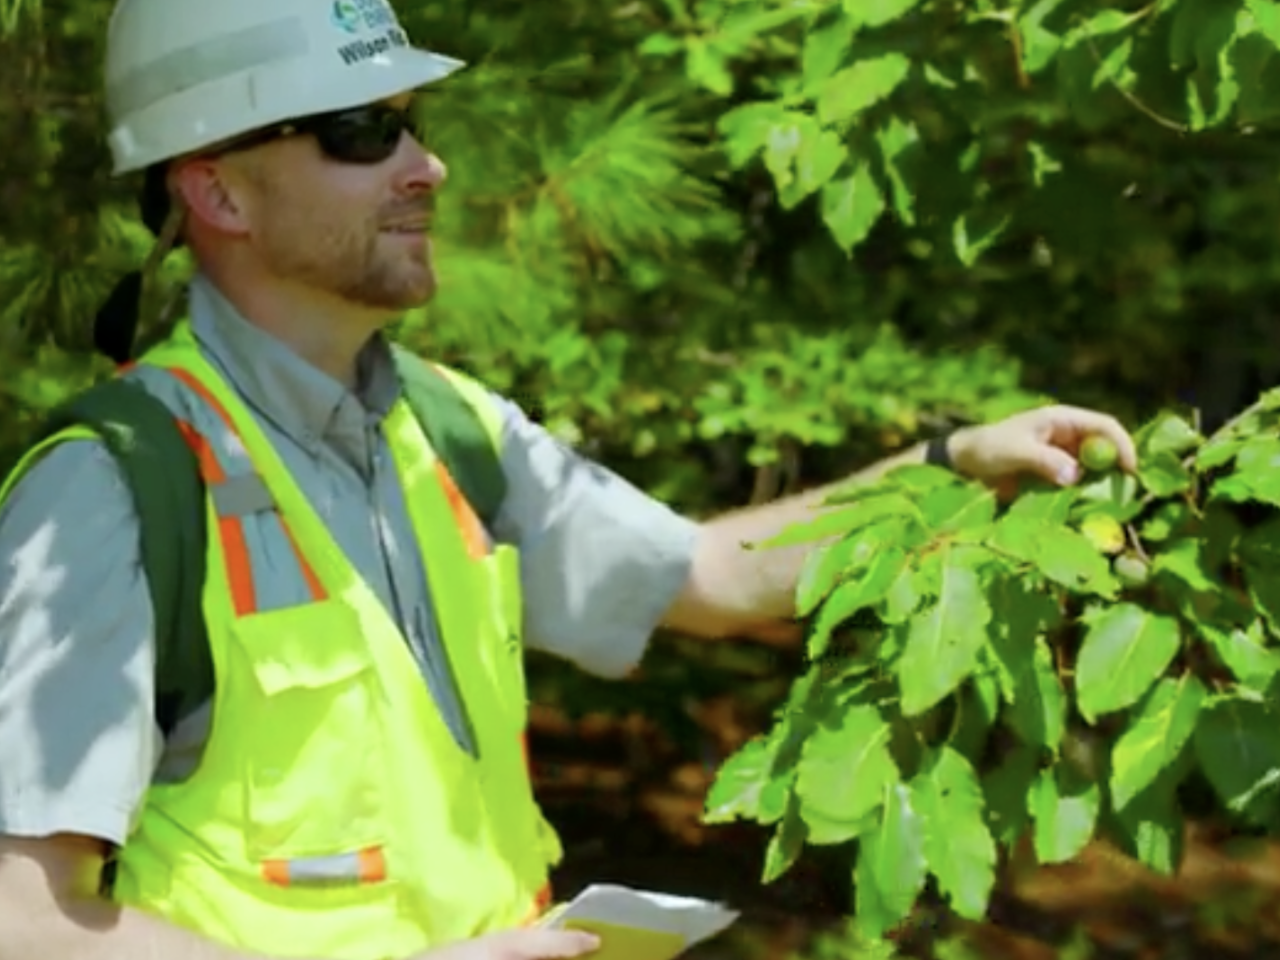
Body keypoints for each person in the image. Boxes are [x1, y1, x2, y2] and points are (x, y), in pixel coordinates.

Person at [0, 0, 1138, 958]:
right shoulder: (113, 488)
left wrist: (947, 470)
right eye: (360, 132)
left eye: (413, 124)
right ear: (219, 194)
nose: (426, 166)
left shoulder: (444, 428)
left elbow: (706, 574)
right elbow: (25, 921)